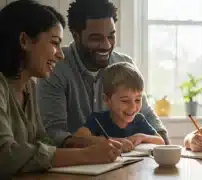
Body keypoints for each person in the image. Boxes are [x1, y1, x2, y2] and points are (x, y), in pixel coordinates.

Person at [0, 0, 123, 176]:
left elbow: (43, 143)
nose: (60, 54)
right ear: (24, 41)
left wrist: (90, 144)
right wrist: (85, 155)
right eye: (54, 42)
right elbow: (4, 155)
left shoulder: (29, 87)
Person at [36, 0, 169, 148]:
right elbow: (54, 133)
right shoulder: (55, 67)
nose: (106, 45)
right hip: (73, 164)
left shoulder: (125, 64)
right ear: (76, 35)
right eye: (96, 38)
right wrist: (105, 144)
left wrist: (165, 149)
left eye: (111, 36)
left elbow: (148, 116)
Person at [74, 62, 165, 152]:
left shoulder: (139, 120)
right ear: (106, 99)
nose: (133, 107)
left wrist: (143, 137)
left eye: (137, 100)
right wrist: (116, 141)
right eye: (125, 101)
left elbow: (161, 142)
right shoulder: (97, 120)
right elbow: (77, 139)